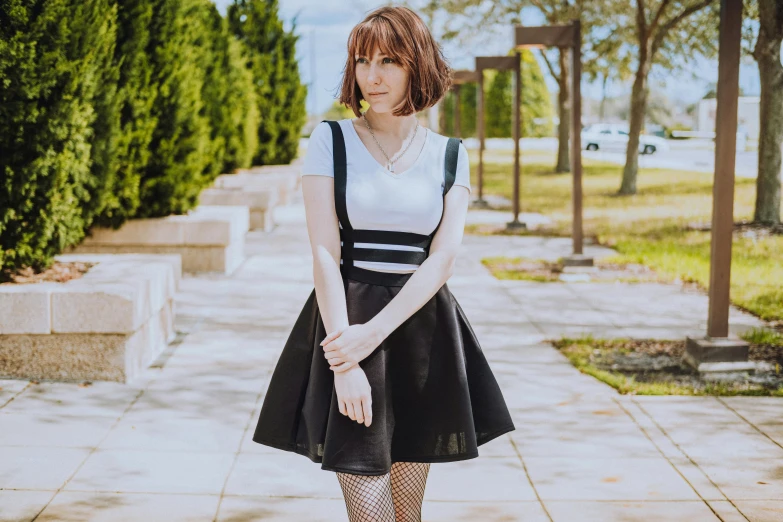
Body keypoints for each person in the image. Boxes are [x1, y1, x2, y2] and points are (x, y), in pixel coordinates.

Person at [252, 5, 515, 521]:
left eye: (388, 61)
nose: (372, 76)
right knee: (370, 513)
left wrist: (375, 334)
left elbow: (441, 261)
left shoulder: (449, 153)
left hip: (421, 331)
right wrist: (347, 357)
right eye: (362, 61)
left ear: (417, 65)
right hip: (344, 326)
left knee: (406, 514)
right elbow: (325, 251)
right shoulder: (330, 140)